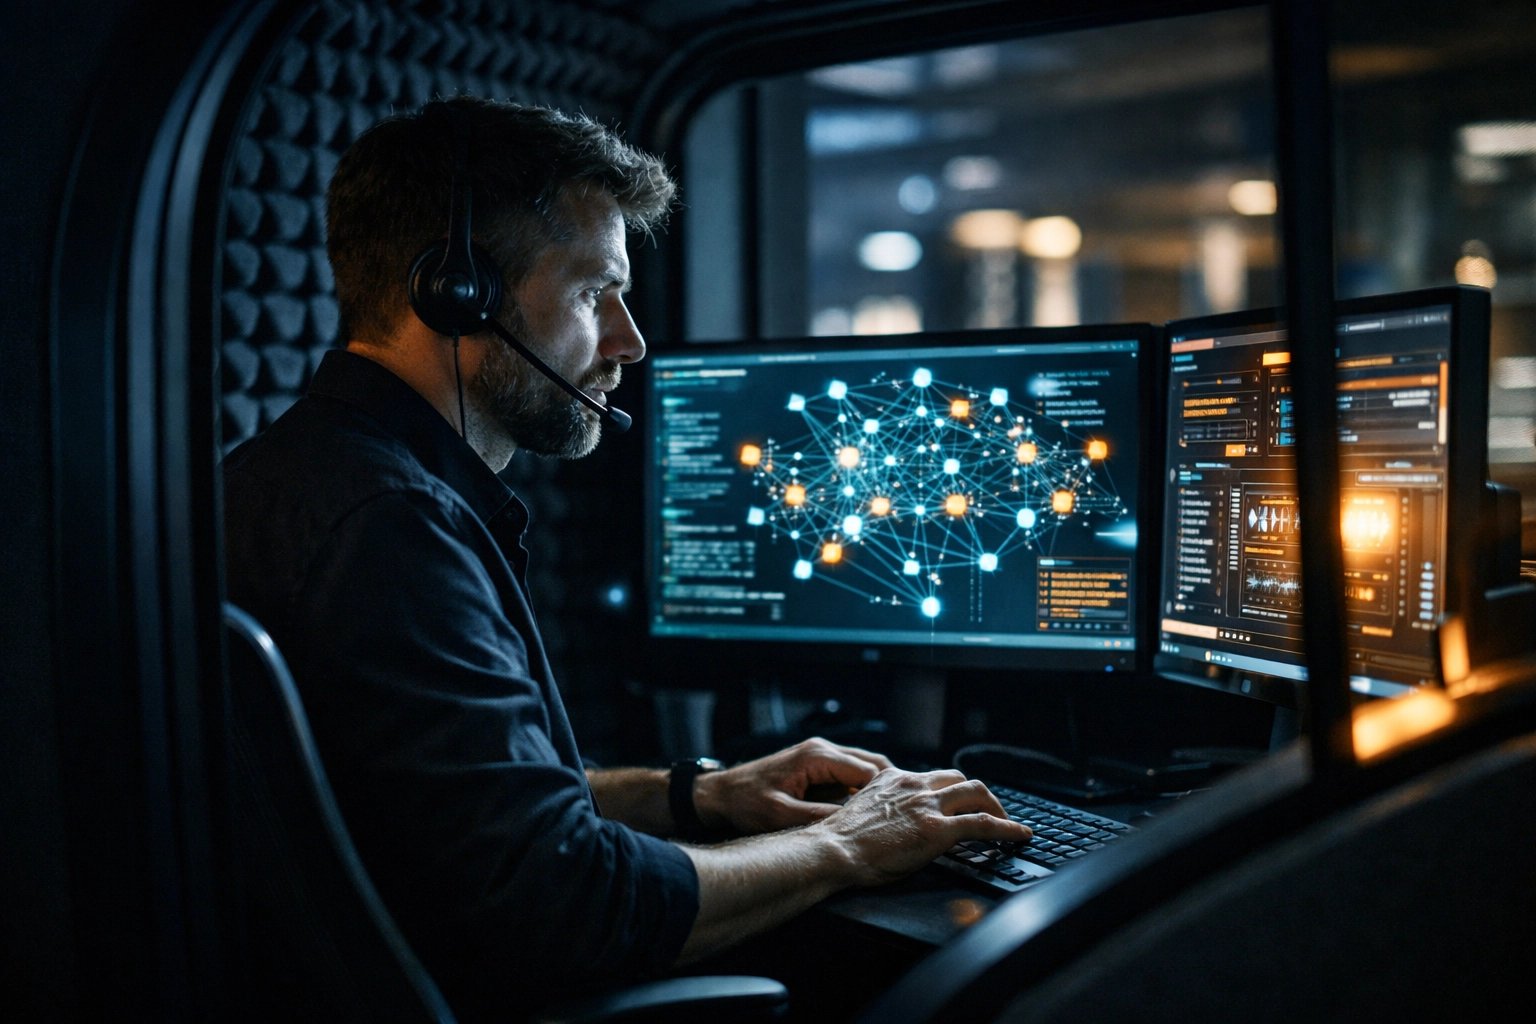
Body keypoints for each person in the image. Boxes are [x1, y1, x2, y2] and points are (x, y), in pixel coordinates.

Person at [222, 96, 1030, 1020]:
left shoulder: (287, 476)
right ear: (457, 292)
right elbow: (565, 900)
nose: (629, 342)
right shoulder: (389, 528)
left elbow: (454, 808)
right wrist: (847, 845)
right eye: (592, 293)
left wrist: (701, 794)